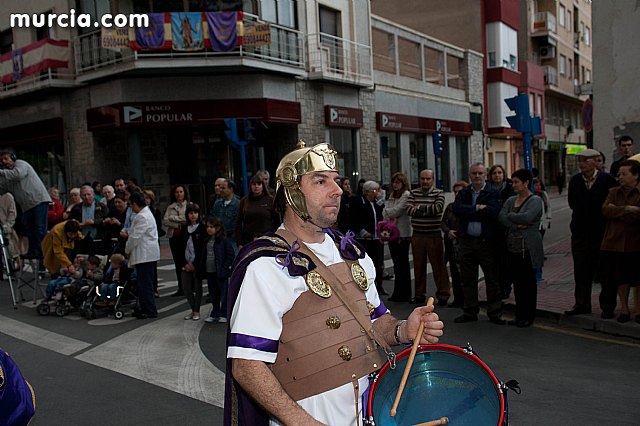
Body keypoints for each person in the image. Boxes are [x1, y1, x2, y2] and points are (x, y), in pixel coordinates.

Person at [224, 141, 443, 425]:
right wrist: (302, 422)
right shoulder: (266, 264)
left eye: (336, 180)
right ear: (291, 193)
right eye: (320, 181)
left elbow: (376, 322)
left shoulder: (353, 252)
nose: (337, 190)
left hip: (370, 409)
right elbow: (247, 366)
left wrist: (403, 330)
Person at [565, 149, 617, 316]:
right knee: (581, 271)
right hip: (580, 233)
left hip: (602, 233)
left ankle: (607, 307)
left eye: (586, 161)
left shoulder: (607, 180)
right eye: (580, 160)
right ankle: (581, 304)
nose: (582, 164)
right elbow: (572, 203)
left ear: (596, 161)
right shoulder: (575, 181)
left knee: (605, 272)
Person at [452, 163, 505, 325]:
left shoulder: (493, 192)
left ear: (485, 175)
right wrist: (477, 208)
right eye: (474, 173)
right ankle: (469, 310)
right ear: (469, 175)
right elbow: (457, 209)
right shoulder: (464, 193)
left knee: (492, 278)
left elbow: (492, 213)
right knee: (467, 278)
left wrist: (471, 212)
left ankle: (494, 312)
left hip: (486, 242)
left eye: (480, 173)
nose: (477, 176)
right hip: (467, 241)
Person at [499, 169, 544, 328]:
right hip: (513, 248)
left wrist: (512, 217)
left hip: (529, 249)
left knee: (528, 284)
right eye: (513, 182)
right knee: (517, 283)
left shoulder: (535, 200)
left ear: (526, 183)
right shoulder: (511, 200)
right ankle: (519, 315)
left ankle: (528, 316)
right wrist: (517, 223)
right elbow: (501, 217)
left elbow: (528, 217)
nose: (514, 185)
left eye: (517, 182)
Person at [599, 160, 640, 322]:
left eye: (624, 174)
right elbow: (605, 210)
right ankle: (624, 309)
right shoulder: (614, 192)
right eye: (619, 174)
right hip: (614, 242)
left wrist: (618, 212)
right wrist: (627, 209)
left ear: (636, 176)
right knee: (620, 278)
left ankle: (638, 310)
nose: (620, 177)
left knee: (637, 278)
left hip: (636, 241)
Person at [406, 169, 450, 306]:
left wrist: (418, 208)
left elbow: (437, 208)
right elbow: (408, 210)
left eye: (428, 179)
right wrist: (425, 209)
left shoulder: (439, 193)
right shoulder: (413, 193)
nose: (425, 181)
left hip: (434, 234)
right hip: (418, 234)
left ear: (433, 180)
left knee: (439, 266)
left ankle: (443, 294)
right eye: (423, 179)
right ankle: (419, 294)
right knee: (418, 267)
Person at [0, 150, 51, 258]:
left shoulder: (21, 164)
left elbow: (18, 174)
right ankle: (34, 252)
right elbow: (2, 187)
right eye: (1, 160)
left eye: (6, 158)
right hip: (26, 206)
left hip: (38, 201)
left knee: (40, 229)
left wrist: (1, 172)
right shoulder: (7, 175)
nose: (4, 162)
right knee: (30, 231)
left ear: (13, 158)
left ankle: (43, 254)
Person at [125, 191, 160, 319]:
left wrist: (127, 249)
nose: (130, 207)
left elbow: (135, 236)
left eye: (131, 205)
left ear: (135, 204)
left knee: (145, 284)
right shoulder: (145, 214)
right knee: (144, 283)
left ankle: (149, 309)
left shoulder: (142, 216)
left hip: (145, 254)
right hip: (147, 254)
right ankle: (145, 307)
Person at [350, 180, 386, 295]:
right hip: (365, 239)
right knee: (366, 263)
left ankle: (379, 286)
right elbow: (354, 219)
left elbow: (383, 214)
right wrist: (363, 231)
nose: (377, 193)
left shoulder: (376, 203)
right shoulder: (359, 202)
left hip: (377, 238)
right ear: (369, 192)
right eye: (376, 191)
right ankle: (367, 287)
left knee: (379, 264)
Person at [382, 172, 412, 302]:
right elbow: (384, 212)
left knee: (403, 264)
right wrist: (388, 212)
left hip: (403, 234)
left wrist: (388, 212)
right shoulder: (392, 196)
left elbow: (397, 210)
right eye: (394, 182)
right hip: (392, 233)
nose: (395, 185)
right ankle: (398, 292)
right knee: (396, 264)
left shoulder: (406, 195)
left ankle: (405, 292)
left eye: (398, 183)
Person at [199, 217, 235, 323]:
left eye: (212, 227)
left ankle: (224, 313)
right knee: (213, 294)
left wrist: (224, 266)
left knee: (223, 294)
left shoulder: (223, 241)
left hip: (220, 272)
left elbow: (230, 254)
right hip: (210, 271)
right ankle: (215, 313)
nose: (209, 229)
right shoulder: (207, 240)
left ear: (218, 228)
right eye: (208, 227)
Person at [488, 164, 515, 299]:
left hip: (506, 231)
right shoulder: (487, 190)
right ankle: (496, 288)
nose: (497, 175)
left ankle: (506, 288)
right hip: (491, 232)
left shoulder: (510, 189)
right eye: (494, 173)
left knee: (506, 263)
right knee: (493, 263)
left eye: (499, 173)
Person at [441, 181, 468, 308]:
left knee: (465, 274)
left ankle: (467, 300)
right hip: (451, 243)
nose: (457, 194)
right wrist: (448, 231)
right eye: (455, 191)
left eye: (460, 191)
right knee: (455, 273)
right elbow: (443, 223)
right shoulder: (450, 207)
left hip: (464, 243)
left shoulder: (468, 206)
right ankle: (457, 299)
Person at [179, 203, 206, 321]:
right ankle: (192, 308)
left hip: (197, 264)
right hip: (186, 263)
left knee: (197, 287)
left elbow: (202, 249)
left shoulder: (202, 228)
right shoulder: (184, 229)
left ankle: (196, 310)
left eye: (195, 213)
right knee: (186, 287)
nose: (193, 215)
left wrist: (195, 264)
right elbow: (178, 248)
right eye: (190, 213)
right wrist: (184, 263)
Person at [236, 174, 279, 248]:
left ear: (263, 186)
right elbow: (239, 223)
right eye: (254, 184)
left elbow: (277, 221)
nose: (256, 186)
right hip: (248, 240)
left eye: (259, 184)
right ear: (250, 186)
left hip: (267, 239)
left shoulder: (270, 200)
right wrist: (239, 243)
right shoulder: (244, 201)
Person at [163, 184, 189, 297]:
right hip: (174, 236)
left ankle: (190, 286)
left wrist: (173, 218)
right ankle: (181, 287)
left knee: (187, 260)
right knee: (178, 262)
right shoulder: (171, 207)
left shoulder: (189, 205)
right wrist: (177, 224)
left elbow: (187, 219)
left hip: (185, 236)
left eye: (181, 192)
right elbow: (165, 221)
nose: (179, 194)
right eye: (177, 192)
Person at [210, 178, 240, 252]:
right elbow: (213, 219)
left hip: (232, 239)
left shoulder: (238, 204)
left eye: (223, 188)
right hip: (219, 238)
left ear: (231, 189)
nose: (220, 190)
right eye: (220, 188)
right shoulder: (217, 204)